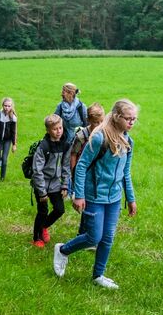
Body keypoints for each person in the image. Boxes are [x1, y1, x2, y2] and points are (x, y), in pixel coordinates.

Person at [53, 100, 138, 289]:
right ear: (116, 117)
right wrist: (79, 195)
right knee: (93, 237)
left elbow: (126, 172)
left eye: (134, 119)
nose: (132, 122)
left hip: (114, 198)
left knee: (107, 238)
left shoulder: (128, 141)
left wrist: (130, 198)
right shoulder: (100, 138)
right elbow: (81, 166)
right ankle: (63, 250)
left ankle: (98, 275)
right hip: (94, 196)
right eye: (128, 118)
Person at [31, 114, 71, 247]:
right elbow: (37, 170)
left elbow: (66, 166)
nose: (59, 131)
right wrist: (42, 192)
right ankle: (37, 238)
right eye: (55, 129)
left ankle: (43, 227)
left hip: (55, 184)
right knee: (43, 211)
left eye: (60, 128)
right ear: (48, 130)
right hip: (41, 183)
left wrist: (65, 185)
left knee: (60, 209)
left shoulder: (65, 145)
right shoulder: (43, 147)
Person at [69, 102, 105, 236]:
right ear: (88, 120)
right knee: (87, 204)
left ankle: (87, 233)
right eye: (96, 122)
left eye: (101, 122)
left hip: (98, 175)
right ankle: (83, 233)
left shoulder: (104, 133)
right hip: (84, 174)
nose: (99, 125)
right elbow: (73, 155)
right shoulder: (81, 136)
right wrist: (73, 174)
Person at [0, 97, 18, 180]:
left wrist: (14, 144)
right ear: (2, 105)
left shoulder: (13, 117)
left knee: (4, 159)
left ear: (11, 106)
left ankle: (2, 177)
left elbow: (14, 132)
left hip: (7, 140)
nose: (7, 108)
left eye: (9, 106)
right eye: (5, 106)